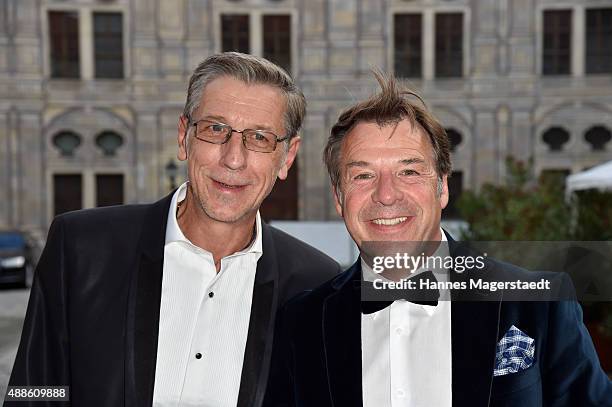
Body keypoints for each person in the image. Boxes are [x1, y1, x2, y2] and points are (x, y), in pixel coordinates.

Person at [7, 52, 341, 407]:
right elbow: (34, 391)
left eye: (259, 137)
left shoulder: (316, 284)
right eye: (215, 129)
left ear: (286, 158)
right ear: (185, 137)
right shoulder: (80, 248)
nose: (233, 158)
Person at [263, 72, 612, 407]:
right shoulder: (301, 323)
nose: (386, 195)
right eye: (363, 175)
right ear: (339, 198)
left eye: (409, 171)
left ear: (442, 187)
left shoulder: (538, 306)